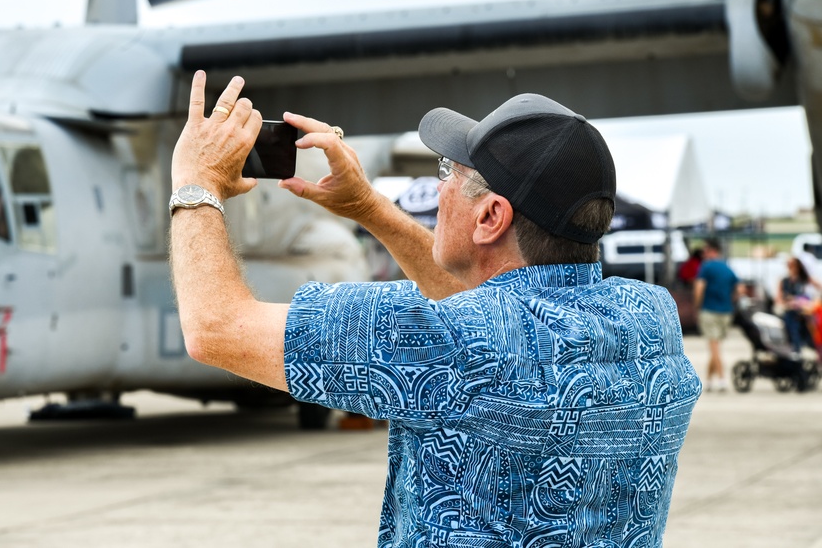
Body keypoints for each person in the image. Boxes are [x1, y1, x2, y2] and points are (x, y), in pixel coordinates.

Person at [170, 71, 701, 547]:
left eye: (448, 171)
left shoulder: (460, 342)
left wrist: (196, 184)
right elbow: (485, 308)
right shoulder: (650, 316)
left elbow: (216, 328)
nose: (437, 187)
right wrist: (366, 207)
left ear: (491, 216)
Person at [692, 239, 738, 392]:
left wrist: (697, 306)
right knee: (715, 347)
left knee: (715, 348)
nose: (703, 254)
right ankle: (709, 380)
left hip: (710, 310)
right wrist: (730, 301)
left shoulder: (706, 267)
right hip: (726, 311)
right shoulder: (727, 268)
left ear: (712, 251)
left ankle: (722, 379)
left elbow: (699, 288)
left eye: (705, 251)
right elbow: (739, 288)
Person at [776, 256, 822, 354]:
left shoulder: (803, 279)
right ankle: (796, 348)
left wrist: (811, 301)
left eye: (792, 265)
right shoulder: (784, 280)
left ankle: (805, 346)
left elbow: (818, 286)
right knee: (792, 323)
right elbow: (778, 299)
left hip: (803, 310)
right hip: (789, 310)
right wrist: (787, 304)